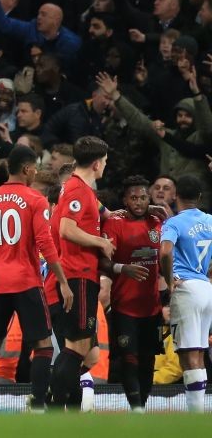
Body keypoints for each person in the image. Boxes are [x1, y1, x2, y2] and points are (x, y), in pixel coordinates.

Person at [0, 145, 73, 412]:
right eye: (34, 167)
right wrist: (62, 281)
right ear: (26, 169)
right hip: (26, 282)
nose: (35, 171)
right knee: (43, 345)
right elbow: (45, 243)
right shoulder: (35, 199)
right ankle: (36, 405)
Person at [49, 136, 115, 410]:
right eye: (106, 162)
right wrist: (101, 242)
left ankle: (69, 412)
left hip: (76, 277)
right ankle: (49, 405)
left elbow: (105, 214)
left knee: (87, 354)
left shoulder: (80, 190)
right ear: (98, 164)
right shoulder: (77, 191)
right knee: (77, 349)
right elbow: (67, 229)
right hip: (78, 276)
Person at [102, 175, 164, 412]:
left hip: (152, 306)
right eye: (133, 198)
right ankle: (136, 408)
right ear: (125, 200)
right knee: (129, 358)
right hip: (124, 306)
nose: (138, 202)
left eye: (143, 197)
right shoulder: (115, 224)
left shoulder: (157, 222)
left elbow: (169, 251)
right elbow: (103, 261)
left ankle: (142, 408)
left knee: (148, 360)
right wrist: (122, 268)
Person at [159, 174, 212, 414]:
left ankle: (195, 417)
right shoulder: (210, 220)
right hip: (206, 287)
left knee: (188, 354)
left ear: (175, 196)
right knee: (199, 351)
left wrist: (169, 281)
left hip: (186, 288)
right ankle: (198, 411)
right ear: (199, 198)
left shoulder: (174, 223)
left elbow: (165, 252)